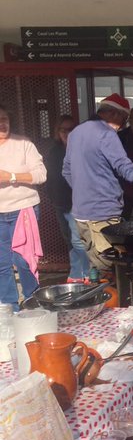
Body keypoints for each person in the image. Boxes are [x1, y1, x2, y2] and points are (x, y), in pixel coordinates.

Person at [63, 94, 133, 275]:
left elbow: (66, 170)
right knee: (111, 270)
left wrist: (83, 191)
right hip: (102, 214)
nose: (123, 125)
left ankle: (101, 298)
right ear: (114, 114)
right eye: (123, 119)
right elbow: (128, 171)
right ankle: (113, 301)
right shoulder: (106, 134)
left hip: (80, 215)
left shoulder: (76, 132)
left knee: (96, 267)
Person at [0, 106, 46, 305]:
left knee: (23, 260)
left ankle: (32, 303)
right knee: (1, 263)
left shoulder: (23, 143)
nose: (2, 124)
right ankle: (9, 308)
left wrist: (11, 177)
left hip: (23, 208)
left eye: (4, 118)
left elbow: (41, 175)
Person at [41, 115, 90, 281]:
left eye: (71, 129)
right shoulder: (54, 151)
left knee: (78, 239)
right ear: (58, 132)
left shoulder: (81, 149)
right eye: (64, 130)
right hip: (59, 201)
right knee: (69, 239)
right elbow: (50, 175)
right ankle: (76, 272)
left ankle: (87, 272)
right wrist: (51, 195)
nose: (67, 133)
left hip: (77, 202)